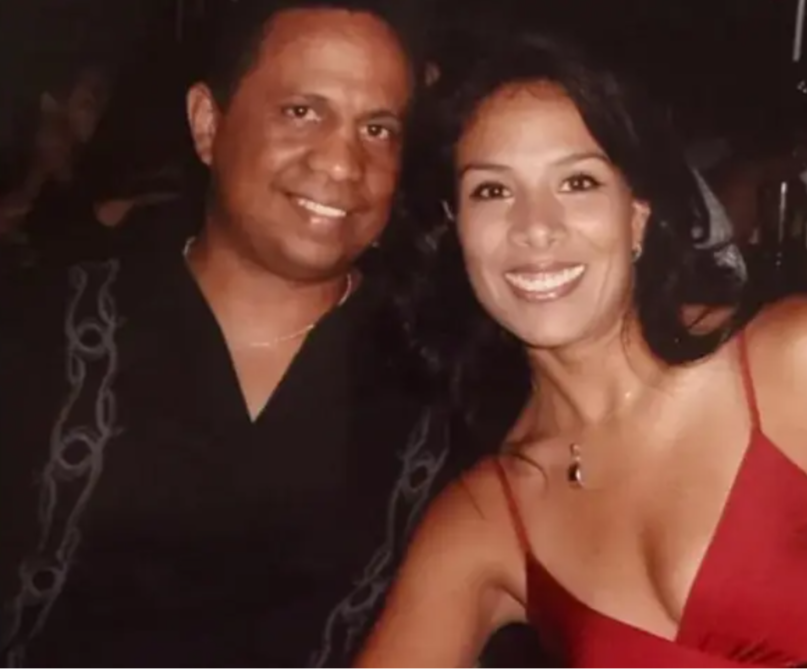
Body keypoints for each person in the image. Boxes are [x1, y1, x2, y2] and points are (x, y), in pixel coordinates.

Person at [356, 33, 807, 667]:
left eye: (577, 182)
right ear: (457, 231)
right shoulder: (488, 516)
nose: (535, 227)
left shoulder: (800, 363)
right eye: (492, 191)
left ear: (636, 215)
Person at [0, 1, 509, 666]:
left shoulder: (442, 374)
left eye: (377, 128)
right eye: (302, 112)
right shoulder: (43, 325)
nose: (342, 163)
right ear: (207, 124)